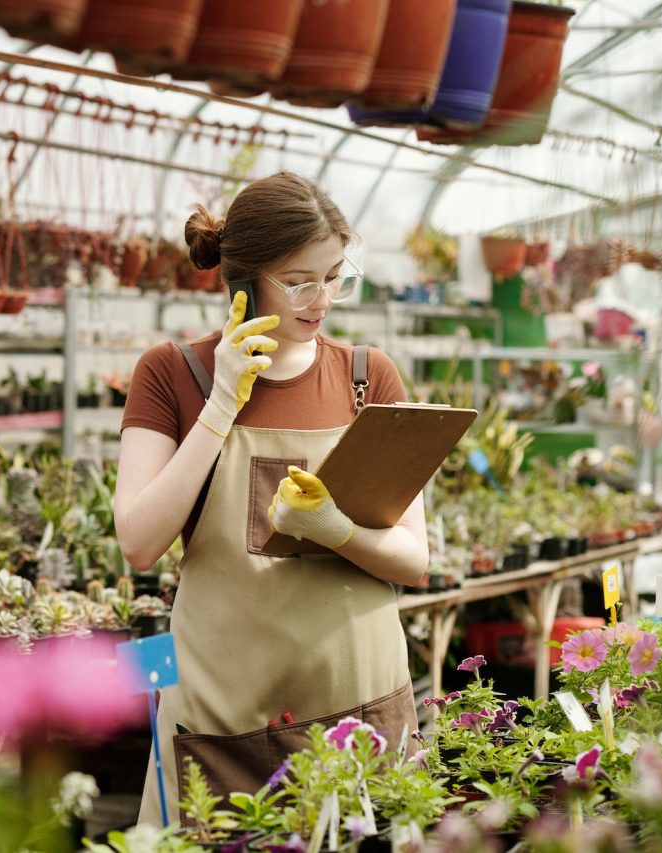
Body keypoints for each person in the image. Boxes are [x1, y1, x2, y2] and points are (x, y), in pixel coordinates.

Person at [114, 172, 428, 827]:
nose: (323, 299)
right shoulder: (174, 374)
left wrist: (336, 527)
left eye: (336, 275)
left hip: (361, 716)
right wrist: (222, 402)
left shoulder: (369, 377)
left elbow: (414, 559)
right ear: (245, 278)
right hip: (222, 728)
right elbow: (139, 542)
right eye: (300, 280)